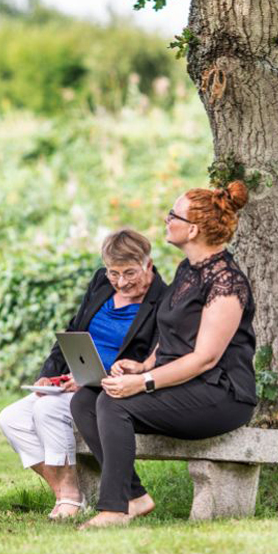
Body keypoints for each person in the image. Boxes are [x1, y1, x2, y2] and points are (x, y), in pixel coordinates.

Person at [71, 180, 258, 529]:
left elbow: (205, 358)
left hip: (221, 395)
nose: (166, 219)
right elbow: (172, 331)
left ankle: (114, 510)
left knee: (115, 403)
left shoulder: (226, 283)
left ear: (193, 229)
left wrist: (143, 381)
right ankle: (134, 497)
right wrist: (143, 364)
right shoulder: (188, 270)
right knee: (86, 400)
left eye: (173, 215)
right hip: (185, 385)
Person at [0, 229, 167, 519]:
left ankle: (70, 500)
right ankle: (67, 491)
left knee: (48, 410)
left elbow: (150, 361)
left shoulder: (163, 299)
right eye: (114, 273)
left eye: (129, 273)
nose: (121, 282)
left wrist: (94, 378)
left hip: (108, 390)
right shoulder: (101, 283)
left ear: (147, 264)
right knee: (11, 418)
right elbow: (74, 329)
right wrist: (49, 374)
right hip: (73, 380)